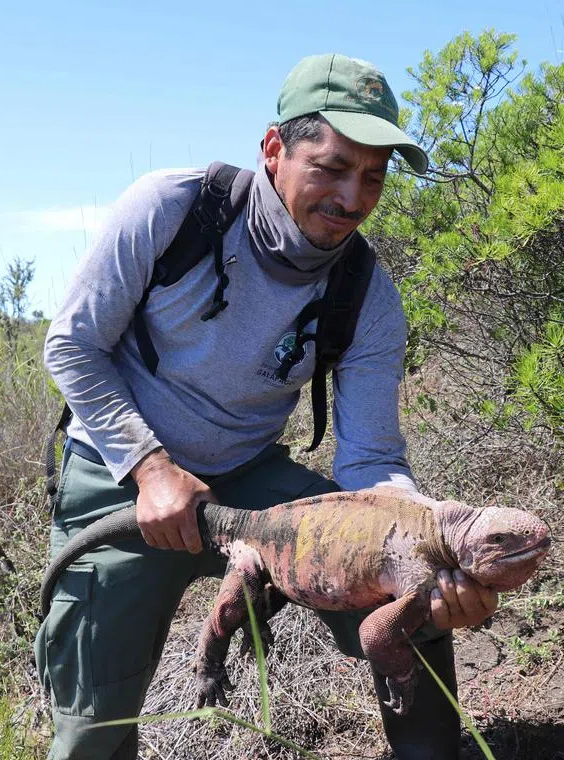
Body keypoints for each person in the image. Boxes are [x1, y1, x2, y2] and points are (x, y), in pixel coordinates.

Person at [36, 53, 499, 760]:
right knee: (91, 725)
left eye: (373, 175)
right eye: (332, 167)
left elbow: (371, 457)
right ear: (274, 149)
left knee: (418, 595)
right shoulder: (173, 209)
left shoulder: (366, 294)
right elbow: (72, 346)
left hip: (251, 478)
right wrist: (151, 467)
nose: (353, 197)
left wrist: (428, 534)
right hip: (120, 471)